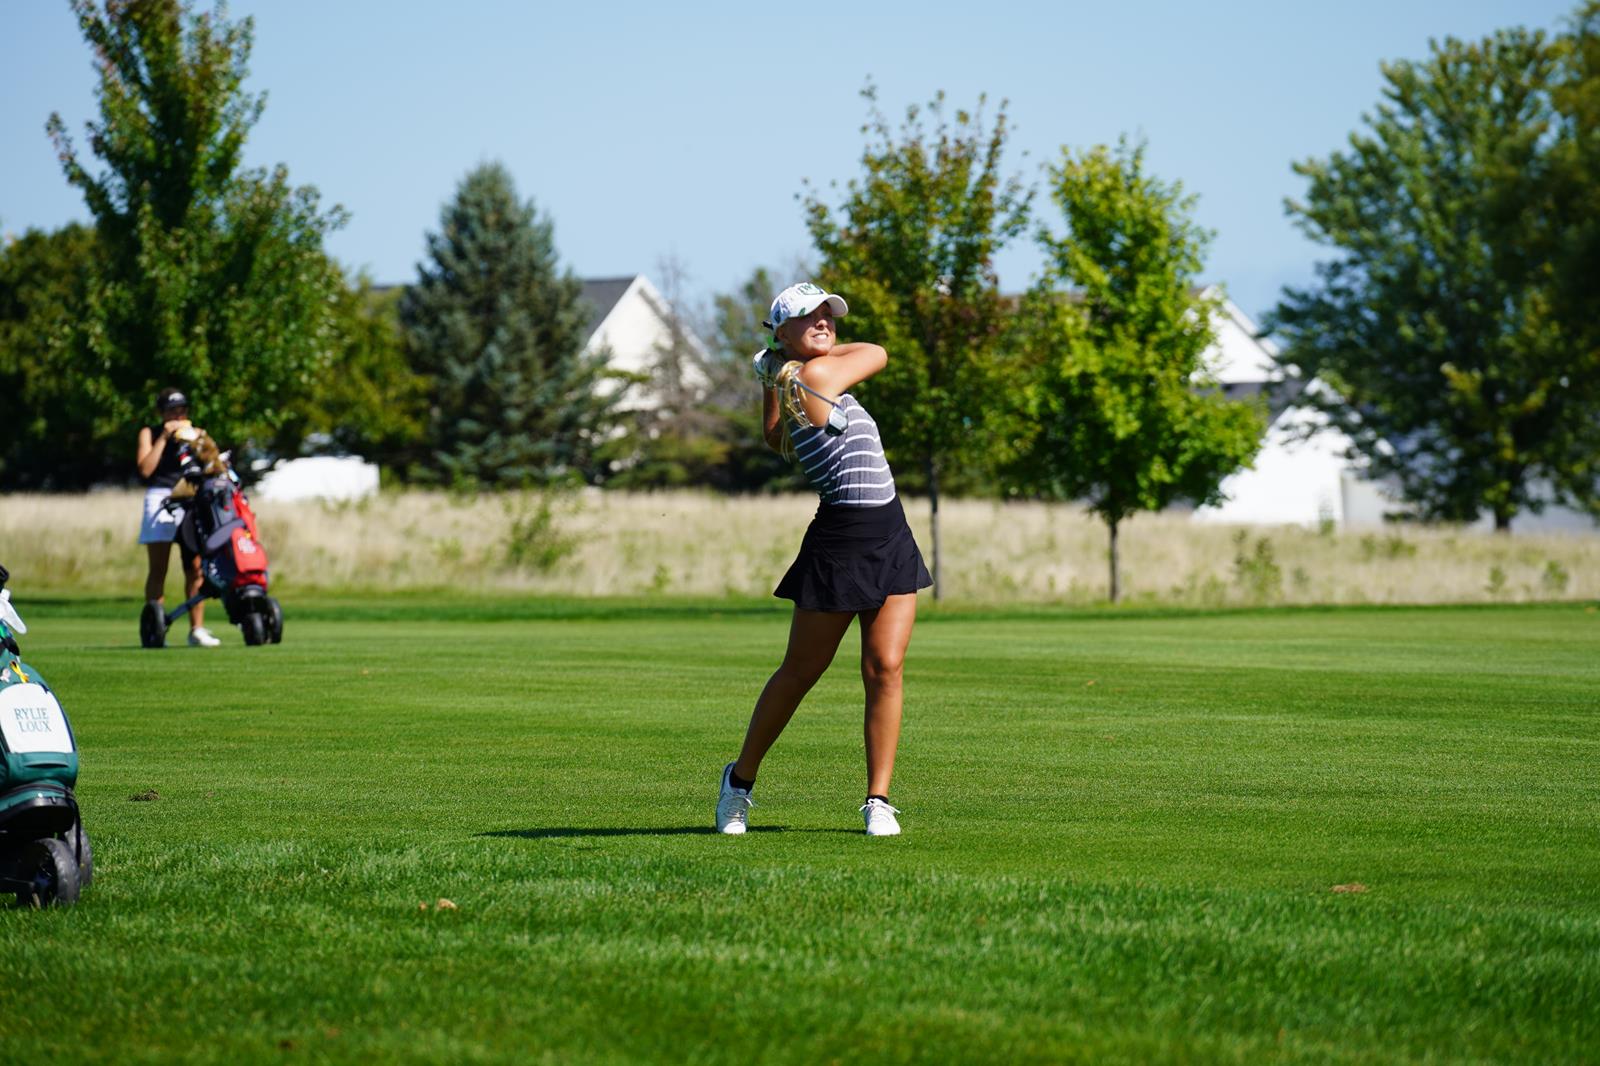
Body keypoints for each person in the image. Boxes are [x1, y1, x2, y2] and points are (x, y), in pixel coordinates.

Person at [715, 282, 932, 837]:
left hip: (889, 533)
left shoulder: (795, 381)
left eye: (827, 318)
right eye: (806, 319)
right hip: (840, 543)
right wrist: (789, 361)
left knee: (885, 669)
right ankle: (738, 783)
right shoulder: (815, 377)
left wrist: (774, 368)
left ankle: (878, 799)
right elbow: (879, 353)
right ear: (781, 331)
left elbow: (772, 437)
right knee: (801, 672)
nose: (824, 325)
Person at [135, 387, 220, 647]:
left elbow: (212, 465)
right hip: (160, 497)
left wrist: (198, 443)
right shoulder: (149, 432)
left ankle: (197, 629)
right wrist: (164, 437)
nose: (178, 414)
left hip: (190, 497)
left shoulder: (195, 434)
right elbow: (146, 469)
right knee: (158, 568)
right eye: (173, 410)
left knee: (195, 566)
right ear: (162, 412)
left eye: (182, 409)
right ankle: (155, 628)